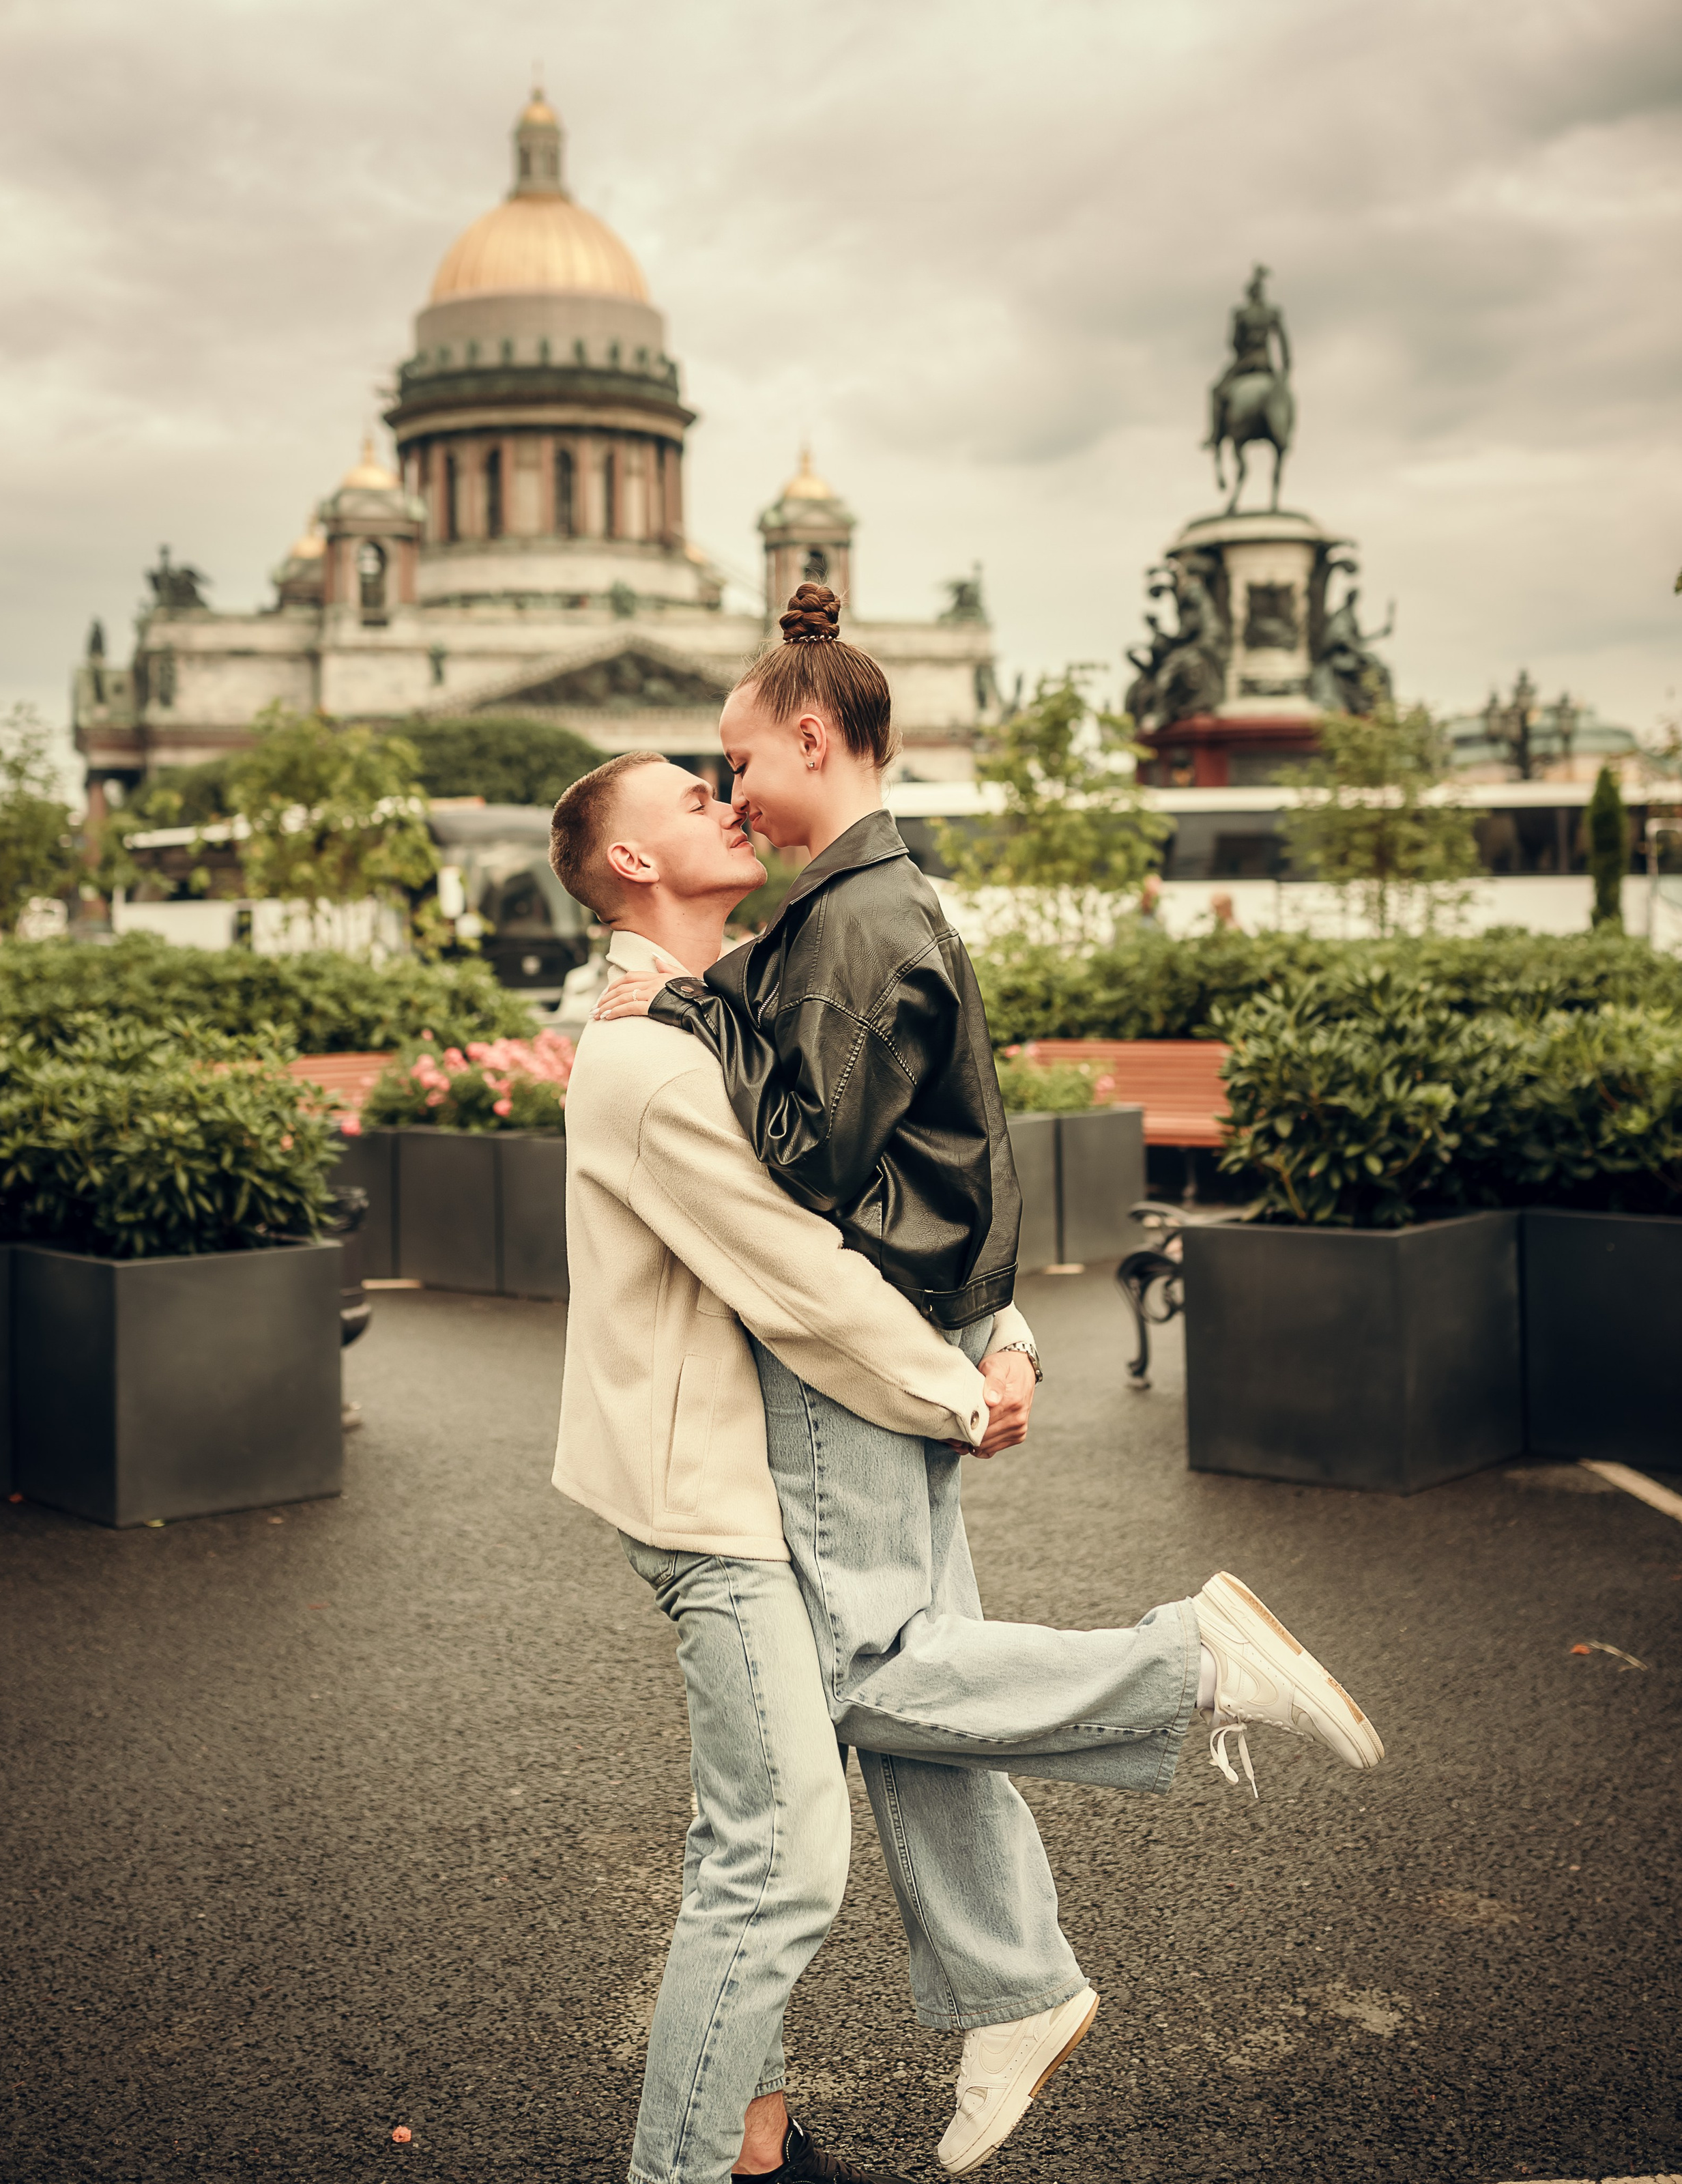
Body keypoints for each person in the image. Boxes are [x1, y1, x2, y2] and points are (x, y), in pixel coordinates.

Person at [588, 588, 1384, 2175]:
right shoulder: (871, 908)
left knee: (855, 1683)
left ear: (811, 737)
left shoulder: (841, 926)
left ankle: (1184, 1665)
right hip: (927, 1324)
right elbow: (964, 1134)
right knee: (899, 1682)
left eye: (735, 758)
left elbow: (809, 1187)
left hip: (866, 1353)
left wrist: (684, 1004)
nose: (731, 786)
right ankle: (1004, 1989)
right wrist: (998, 1322)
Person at [549, 750, 1041, 2184]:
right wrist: (956, 1390)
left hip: (776, 1472)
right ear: (630, 864)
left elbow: (901, 1168)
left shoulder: (753, 985)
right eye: (687, 797)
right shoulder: (643, 1053)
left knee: (753, 1835)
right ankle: (690, 2166)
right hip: (711, 1495)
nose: (723, 797)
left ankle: (753, 2140)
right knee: (783, 1856)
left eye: (725, 778)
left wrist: (998, 1327)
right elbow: (799, 1269)